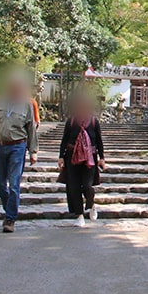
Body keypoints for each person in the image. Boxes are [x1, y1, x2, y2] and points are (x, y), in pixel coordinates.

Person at [0, 71, 39, 233]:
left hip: (17, 147)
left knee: (14, 184)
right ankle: (11, 209)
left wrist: (33, 151)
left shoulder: (26, 105)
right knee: (0, 184)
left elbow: (31, 129)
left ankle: (10, 218)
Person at [58, 93, 105, 227]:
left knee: (87, 185)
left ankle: (91, 203)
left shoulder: (94, 122)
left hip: (89, 158)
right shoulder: (71, 121)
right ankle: (79, 215)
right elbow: (64, 140)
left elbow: (99, 141)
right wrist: (61, 156)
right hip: (72, 157)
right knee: (74, 187)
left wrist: (102, 158)